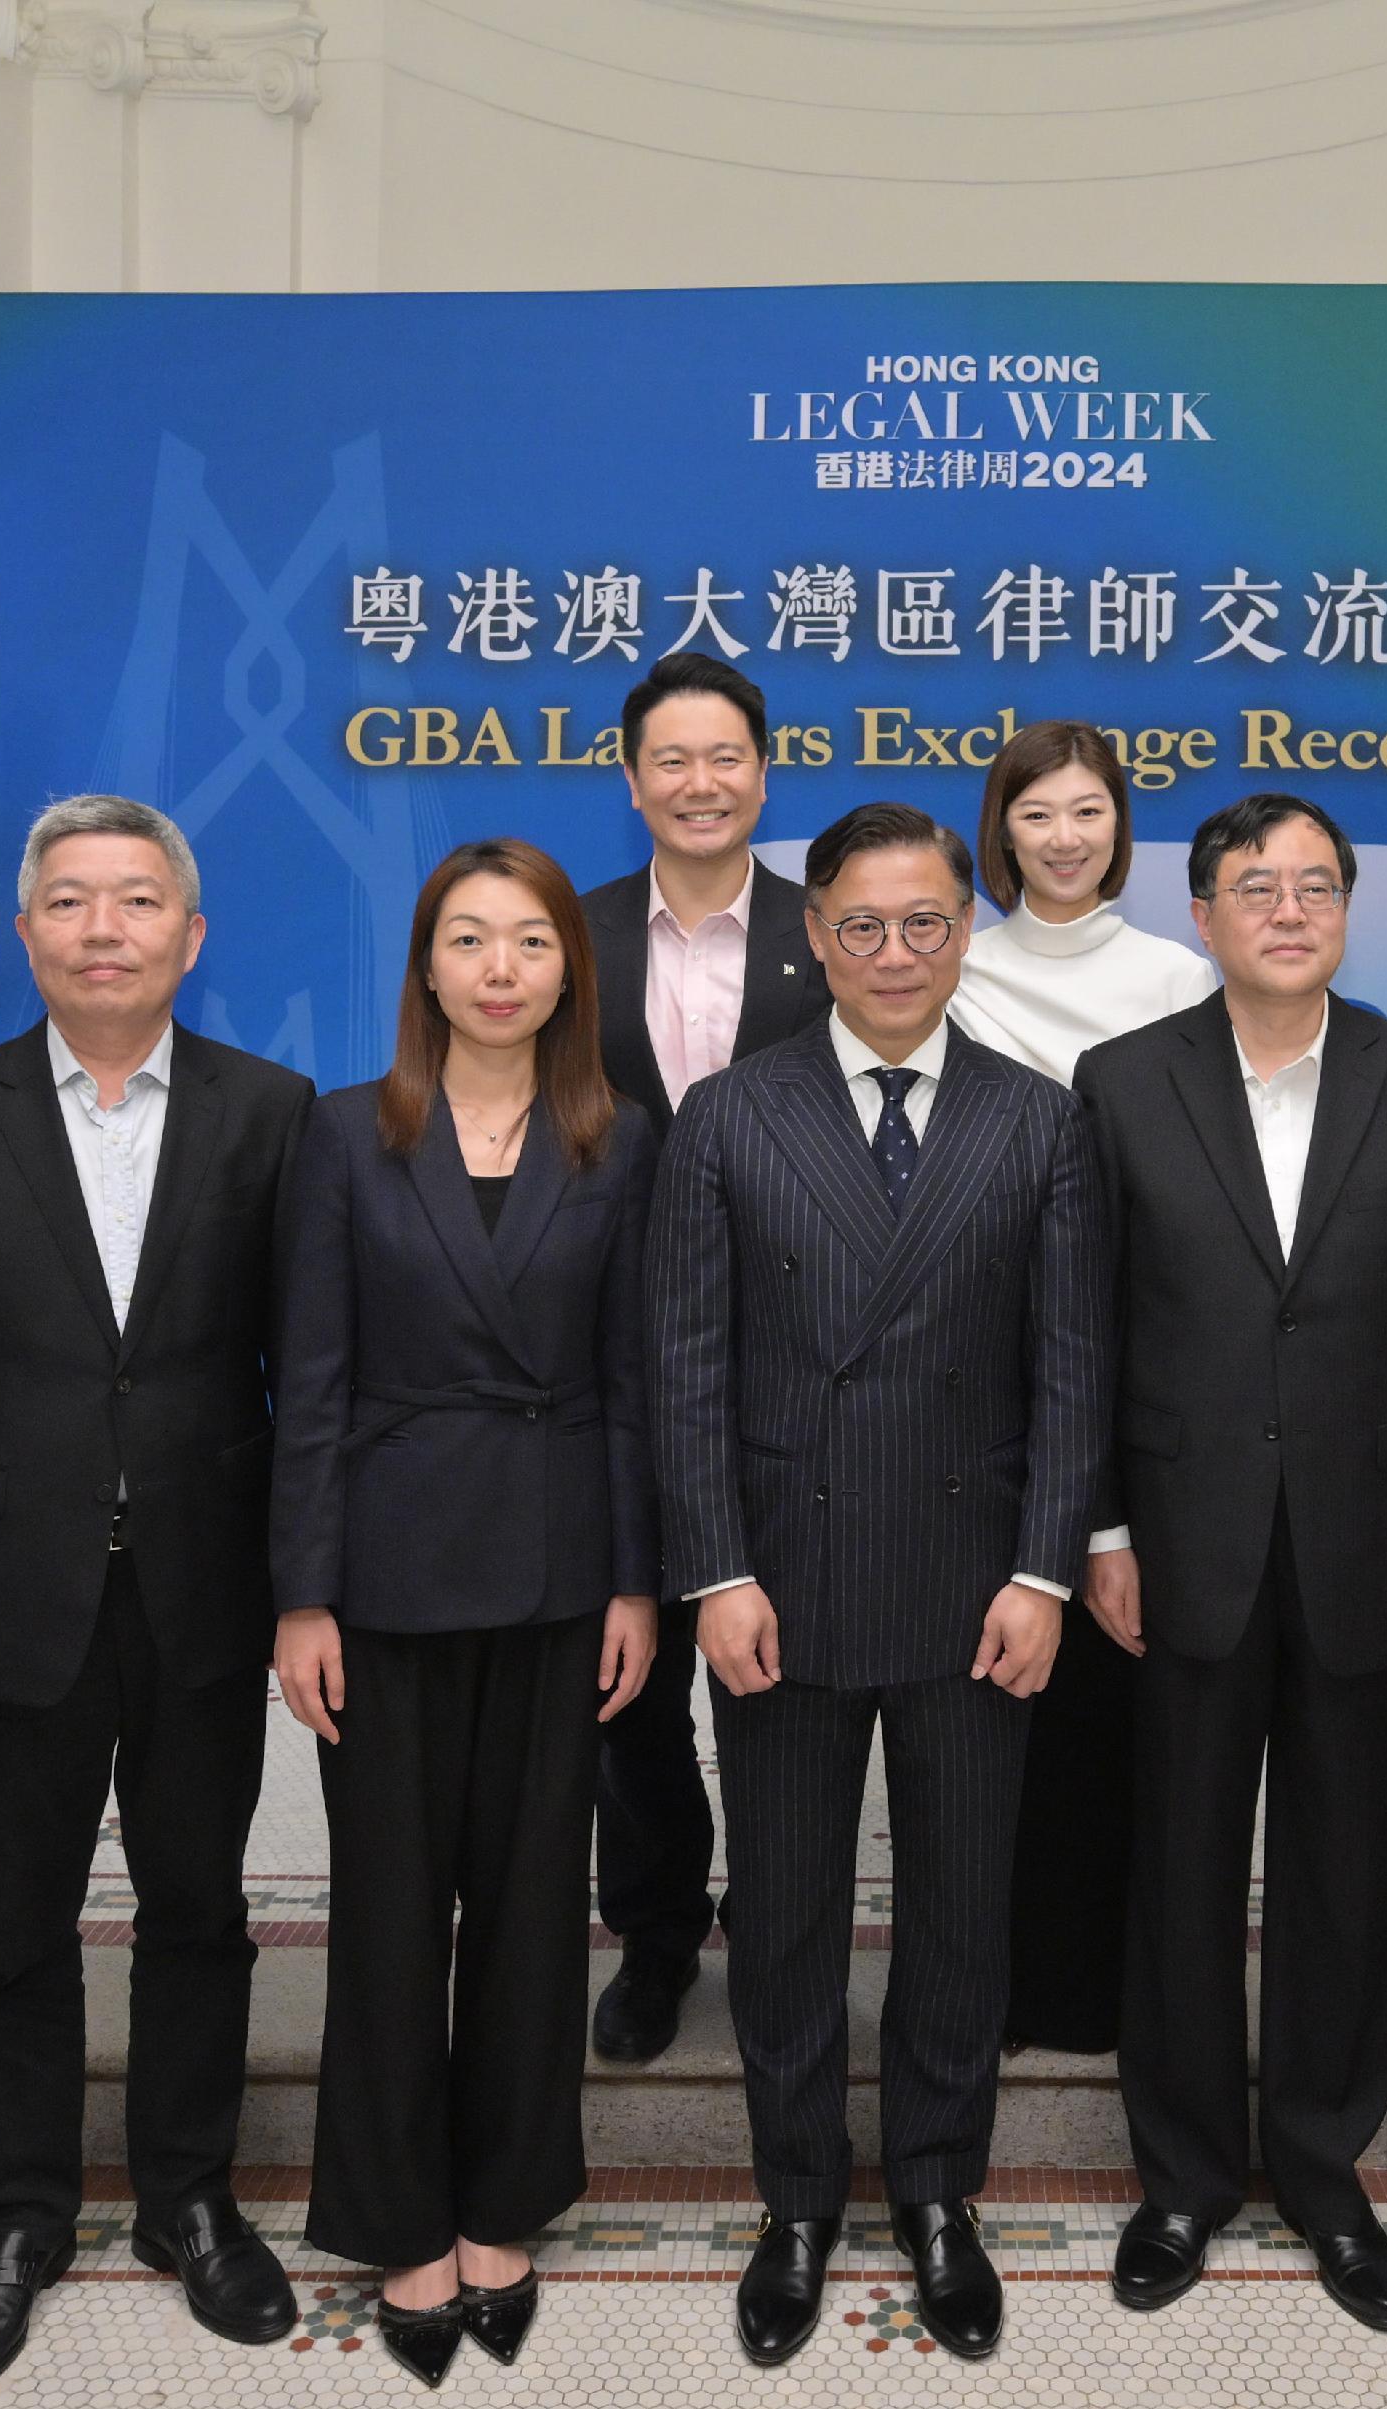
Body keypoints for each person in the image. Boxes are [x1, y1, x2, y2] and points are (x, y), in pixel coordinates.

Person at [0, 794, 318, 2406]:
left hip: (207, 1579)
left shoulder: (276, 1113)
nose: (103, 926)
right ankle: (21, 2214)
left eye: (137, 902)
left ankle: (188, 2197)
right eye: (71, 901)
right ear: (30, 934)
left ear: (190, 937)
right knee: (17, 1925)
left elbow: (308, 1376)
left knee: (200, 1908)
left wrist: (304, 1588)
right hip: (5, 1587)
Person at [648, 800, 1109, 2366]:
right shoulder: (726, 1113)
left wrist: (1047, 1569)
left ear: (966, 931)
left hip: (979, 1584)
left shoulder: (1037, 1119)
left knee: (960, 1913)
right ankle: (796, 2197)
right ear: (814, 936)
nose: (895, 952)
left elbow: (1072, 1376)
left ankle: (935, 2190)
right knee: (783, 1914)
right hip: (778, 1580)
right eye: (861, 925)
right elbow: (687, 1369)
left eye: (925, 923)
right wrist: (712, 1567)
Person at [1079, 792, 1387, 2333]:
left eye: (1315, 885)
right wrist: (1104, 1529)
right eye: (1253, 886)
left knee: (1342, 1872)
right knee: (1180, 1866)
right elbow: (1093, 1332)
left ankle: (1325, 2171)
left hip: (1364, 1542)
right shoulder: (1121, 1084)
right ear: (1199, 915)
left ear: (1345, 913)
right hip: (1178, 1542)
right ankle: (1184, 2174)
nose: (1287, 908)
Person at [270, 841, 662, 2385]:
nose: (501, 967)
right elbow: (308, 1381)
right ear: (425, 966)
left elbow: (637, 1381)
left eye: (532, 942)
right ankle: (395, 2211)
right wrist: (301, 1591)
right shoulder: (344, 1133)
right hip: (383, 1576)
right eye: (468, 939)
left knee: (525, 1899)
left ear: (572, 967)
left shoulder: (620, 1137)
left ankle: (506, 2195)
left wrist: (637, 1576)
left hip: (563, 1572)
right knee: (387, 1901)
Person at [576, 650, 835, 2066]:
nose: (698, 782)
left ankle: (788, 1925)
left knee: (782, 1681)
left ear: (762, 769)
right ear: (632, 781)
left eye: (724, 756)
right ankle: (660, 1931)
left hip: (802, 1373)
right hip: (615, 1367)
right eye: (670, 760)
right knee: (631, 1691)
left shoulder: (832, 931)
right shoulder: (570, 933)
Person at [945, 719, 1216, 2054]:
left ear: (1122, 827)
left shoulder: (1177, 977)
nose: (1064, 836)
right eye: (1037, 813)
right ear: (1001, 830)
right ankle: (1002, 1982)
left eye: (1089, 812)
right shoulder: (956, 971)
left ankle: (1112, 1985)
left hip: (1147, 1362)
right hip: (984, 1371)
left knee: (1120, 1694)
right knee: (1002, 1702)